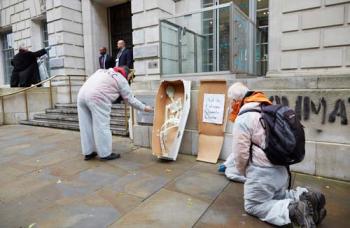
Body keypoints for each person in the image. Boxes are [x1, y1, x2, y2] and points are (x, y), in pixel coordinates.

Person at [221, 82, 326, 228]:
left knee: (254, 205)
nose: (230, 105)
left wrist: (243, 172)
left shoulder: (244, 117)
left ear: (236, 101)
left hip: (261, 172)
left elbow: (240, 154)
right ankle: (305, 196)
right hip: (281, 168)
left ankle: (293, 211)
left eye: (231, 102)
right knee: (276, 196)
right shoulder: (265, 107)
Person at [77, 66, 153, 161]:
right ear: (126, 74)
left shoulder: (102, 71)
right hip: (97, 97)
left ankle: (88, 152)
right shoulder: (120, 79)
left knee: (85, 125)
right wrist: (144, 107)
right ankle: (105, 154)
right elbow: (130, 99)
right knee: (102, 126)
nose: (129, 79)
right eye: (129, 77)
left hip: (81, 95)